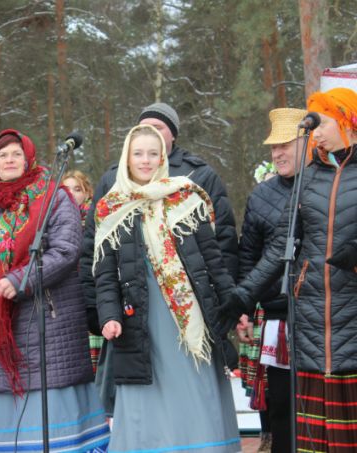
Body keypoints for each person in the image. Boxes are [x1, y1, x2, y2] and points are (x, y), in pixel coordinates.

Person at [0, 129, 110, 452]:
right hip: (1, 336)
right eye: (3, 154)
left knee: (54, 433)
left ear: (29, 158)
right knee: (12, 433)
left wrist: (20, 279)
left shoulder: (53, 197)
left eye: (16, 154)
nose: (9, 160)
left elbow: (66, 251)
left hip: (49, 327)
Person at [220, 87, 357, 452]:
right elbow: (278, 249)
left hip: (352, 324)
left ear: (347, 121)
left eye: (323, 123)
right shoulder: (309, 178)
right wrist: (242, 296)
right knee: (312, 439)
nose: (316, 134)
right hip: (310, 328)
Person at [94, 124, 240, 452]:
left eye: (153, 153)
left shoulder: (186, 197)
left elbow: (213, 259)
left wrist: (233, 303)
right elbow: (105, 274)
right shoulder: (110, 207)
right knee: (147, 398)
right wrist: (109, 316)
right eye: (138, 153)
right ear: (126, 158)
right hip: (138, 319)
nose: (145, 160)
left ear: (163, 157)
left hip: (189, 317)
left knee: (193, 390)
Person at [237, 108, 306, 453]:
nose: (277, 153)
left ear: (307, 144)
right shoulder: (261, 196)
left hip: (323, 316)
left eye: (285, 145)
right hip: (277, 316)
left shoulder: (329, 185)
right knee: (280, 405)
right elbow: (248, 255)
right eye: (273, 147)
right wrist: (244, 310)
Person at [63, 170, 104, 375]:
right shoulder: (53, 223)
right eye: (66, 189)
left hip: (91, 294)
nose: (71, 194)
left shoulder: (97, 220)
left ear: (87, 193)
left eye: (77, 189)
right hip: (66, 298)